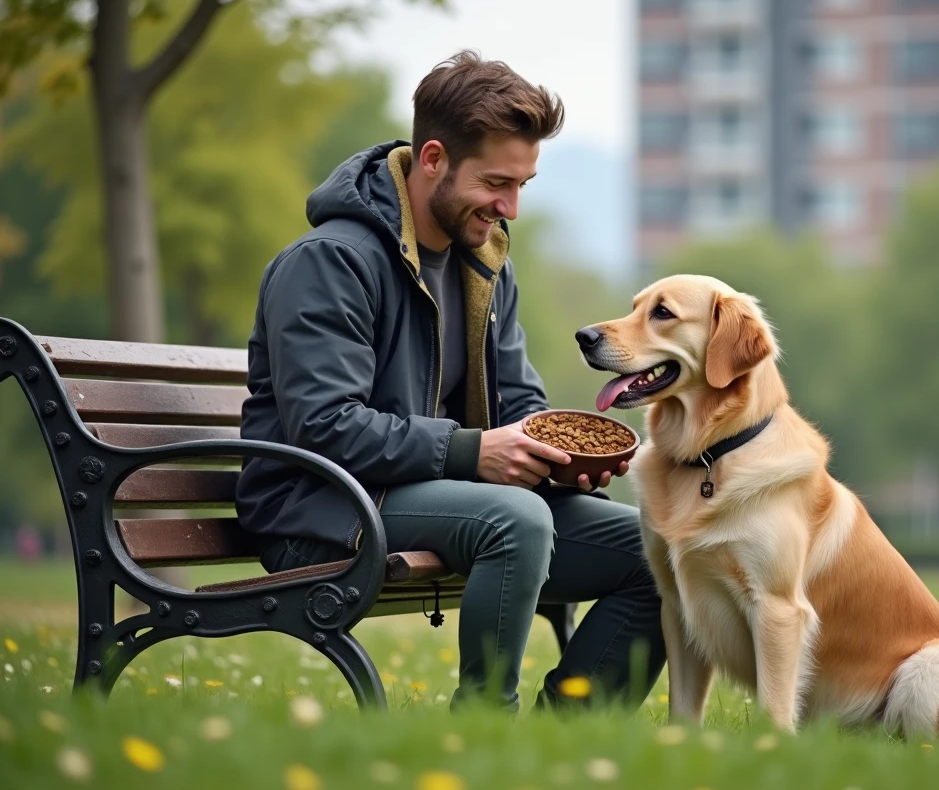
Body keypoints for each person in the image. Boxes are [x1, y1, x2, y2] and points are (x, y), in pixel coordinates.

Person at [235, 50, 666, 712]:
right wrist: (472, 451)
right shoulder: (330, 263)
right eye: (497, 183)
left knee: (662, 553)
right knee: (516, 520)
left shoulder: (486, 263)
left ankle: (568, 741)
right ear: (433, 159)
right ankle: (483, 729)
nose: (512, 208)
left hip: (438, 496)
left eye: (523, 184)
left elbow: (518, 404)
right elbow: (324, 426)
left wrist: (558, 458)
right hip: (322, 507)